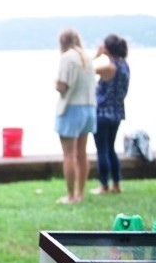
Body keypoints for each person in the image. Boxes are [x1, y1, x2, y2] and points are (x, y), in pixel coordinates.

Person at [54, 28, 96, 204]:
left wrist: (56, 85)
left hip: (72, 109)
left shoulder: (67, 58)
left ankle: (71, 196)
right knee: (82, 154)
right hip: (88, 108)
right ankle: (80, 193)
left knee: (69, 155)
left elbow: (62, 86)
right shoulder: (86, 57)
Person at [90, 34, 131, 194]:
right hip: (117, 112)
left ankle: (104, 185)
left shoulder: (109, 68)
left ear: (107, 48)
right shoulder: (124, 66)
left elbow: (86, 70)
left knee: (102, 150)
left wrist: (97, 55)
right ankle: (117, 183)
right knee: (111, 148)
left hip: (102, 113)